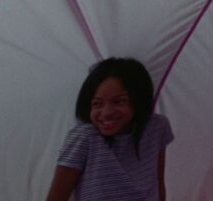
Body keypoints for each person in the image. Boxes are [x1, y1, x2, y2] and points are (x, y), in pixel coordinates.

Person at [46, 57, 174, 201]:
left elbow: (158, 184)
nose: (106, 112)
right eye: (97, 104)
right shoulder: (84, 137)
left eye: (118, 101)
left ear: (137, 101)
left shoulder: (156, 128)